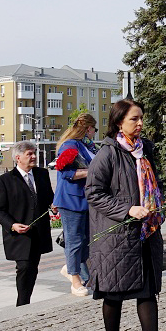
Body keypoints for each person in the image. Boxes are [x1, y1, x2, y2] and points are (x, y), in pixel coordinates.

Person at [85, 98, 166, 331]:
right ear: (119, 123)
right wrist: (127, 209)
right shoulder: (108, 153)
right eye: (133, 119)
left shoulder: (144, 149)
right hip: (116, 236)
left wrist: (157, 202)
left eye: (141, 118)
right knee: (114, 292)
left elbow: (151, 184)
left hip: (145, 231)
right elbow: (93, 193)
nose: (140, 123)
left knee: (147, 291)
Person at [0, 141, 54, 306]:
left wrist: (54, 205)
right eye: (29, 154)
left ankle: (25, 302)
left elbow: (49, 197)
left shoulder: (42, 174)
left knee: (32, 268)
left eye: (34, 153)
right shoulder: (4, 180)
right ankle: (22, 304)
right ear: (18, 158)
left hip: (38, 232)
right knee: (24, 268)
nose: (34, 157)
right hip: (19, 235)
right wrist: (12, 225)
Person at [53, 113, 99, 297]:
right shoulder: (70, 145)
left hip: (85, 199)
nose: (95, 133)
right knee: (74, 241)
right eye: (94, 129)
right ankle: (74, 280)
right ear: (88, 128)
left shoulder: (85, 145)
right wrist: (92, 171)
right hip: (71, 200)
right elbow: (66, 172)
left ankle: (78, 273)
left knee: (86, 241)